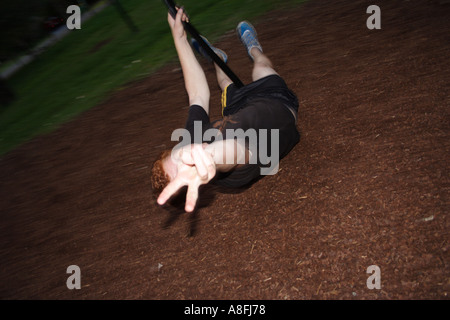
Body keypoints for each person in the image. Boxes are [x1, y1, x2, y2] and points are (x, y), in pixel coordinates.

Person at [151, 7, 300, 212]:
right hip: (278, 104)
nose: (189, 158)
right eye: (188, 168)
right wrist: (210, 157)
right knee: (261, 68)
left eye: (178, 156)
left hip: (239, 110)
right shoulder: (232, 176)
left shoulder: (189, 143)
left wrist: (179, 38)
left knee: (225, 83)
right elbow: (236, 151)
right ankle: (254, 48)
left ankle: (216, 58)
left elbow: (197, 95)